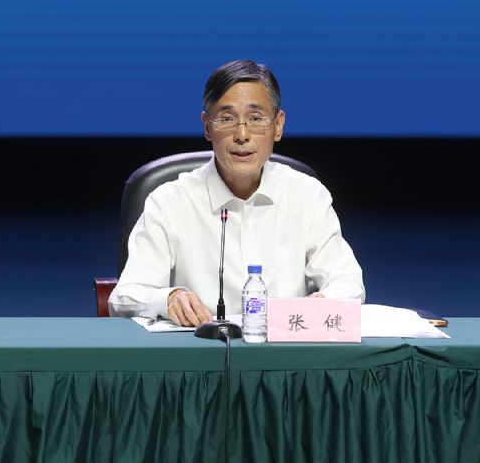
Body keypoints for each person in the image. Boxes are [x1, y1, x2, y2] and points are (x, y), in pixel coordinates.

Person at [109, 60, 365, 326]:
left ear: (278, 125)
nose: (242, 135)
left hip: (285, 349)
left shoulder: (307, 195)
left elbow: (348, 284)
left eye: (256, 119)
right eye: (227, 119)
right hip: (200, 348)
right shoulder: (169, 202)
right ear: (207, 127)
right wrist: (169, 298)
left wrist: (323, 302)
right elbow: (124, 296)